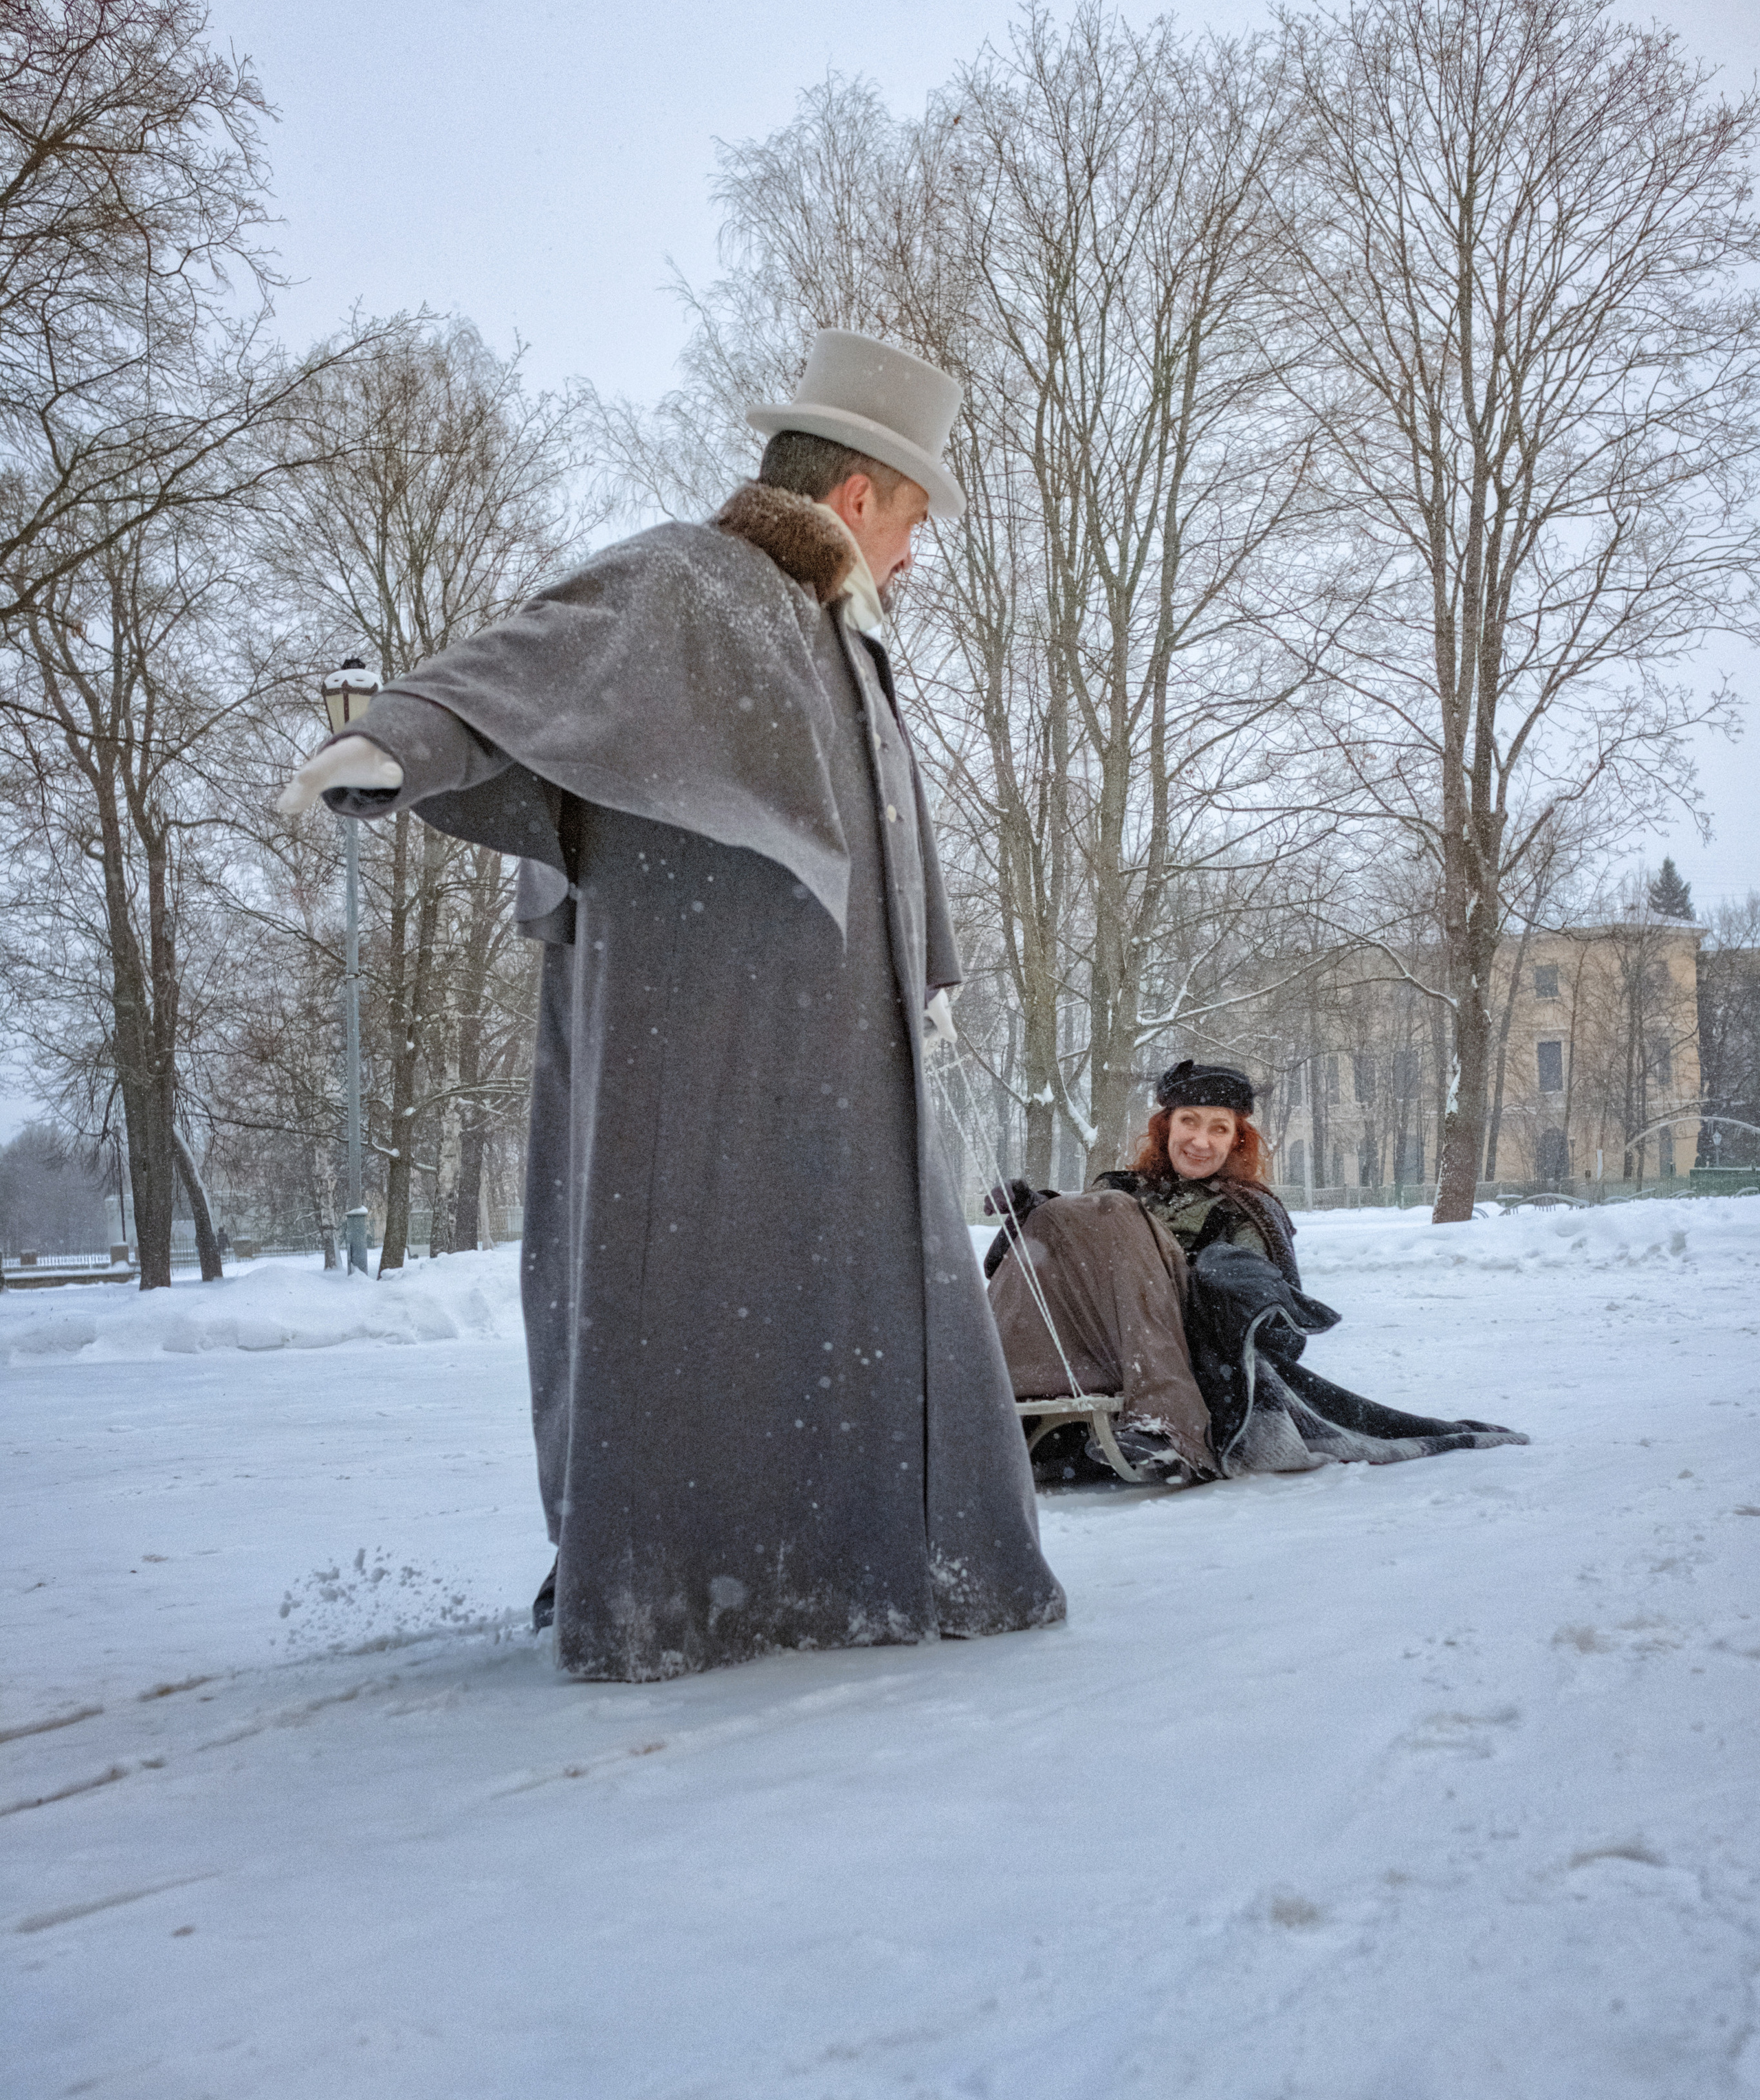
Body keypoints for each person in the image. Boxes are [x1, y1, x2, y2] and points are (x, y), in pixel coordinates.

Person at [278, 329, 1065, 1679]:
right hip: (697, 1043)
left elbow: (893, 832)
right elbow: (539, 662)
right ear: (857, 493)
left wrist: (925, 971)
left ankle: (853, 1568)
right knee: (692, 1299)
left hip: (837, 1060)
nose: (914, 555)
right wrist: (392, 743)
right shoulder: (690, 584)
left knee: (849, 1306)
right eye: (913, 519)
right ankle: (681, 1585)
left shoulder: (845, 644)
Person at [986, 1057, 1527, 1481]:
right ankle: (986, 1406)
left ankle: (1168, 1421)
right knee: (1061, 1214)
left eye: (1219, 1128)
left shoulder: (1246, 1210)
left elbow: (1276, 1339)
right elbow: (1059, 1266)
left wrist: (1232, 1277)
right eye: (1189, 1122)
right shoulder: (1119, 1190)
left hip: (1190, 1336)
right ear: (1165, 1128)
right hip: (1099, 1338)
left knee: (1103, 1210)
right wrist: (1034, 1216)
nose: (1200, 1140)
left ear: (1236, 1139)